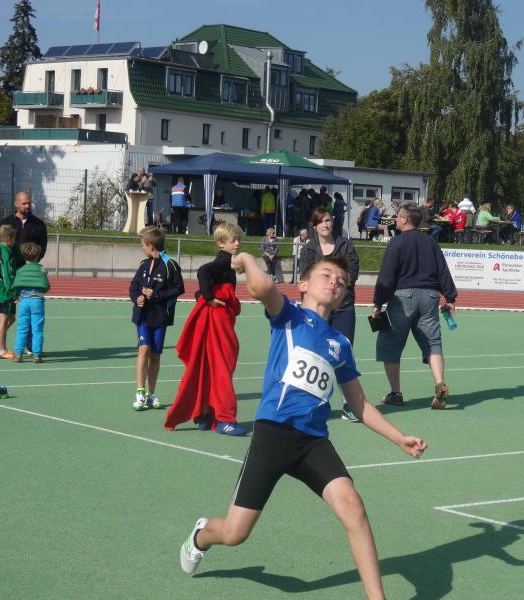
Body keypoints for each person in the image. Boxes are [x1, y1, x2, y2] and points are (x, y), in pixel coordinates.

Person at [178, 252, 427, 600]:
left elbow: (359, 403)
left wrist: (398, 438)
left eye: (341, 283)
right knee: (235, 534)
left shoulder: (340, 345)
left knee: (353, 507)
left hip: (313, 442)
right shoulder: (289, 315)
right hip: (274, 433)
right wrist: (246, 258)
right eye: (327, 276)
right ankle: (202, 535)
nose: (335, 283)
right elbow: (261, 287)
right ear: (304, 285)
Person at [372, 204, 458, 409]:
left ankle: (395, 393)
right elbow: (442, 270)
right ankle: (440, 384)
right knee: (433, 343)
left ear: (404, 219)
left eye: (397, 217)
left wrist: (378, 302)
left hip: (403, 298)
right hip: (429, 296)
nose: (395, 219)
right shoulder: (431, 242)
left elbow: (387, 274)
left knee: (390, 344)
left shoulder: (397, 242)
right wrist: (450, 297)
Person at [164, 223, 246, 436]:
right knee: (221, 367)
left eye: (239, 239)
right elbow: (203, 271)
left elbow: (207, 281)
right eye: (233, 240)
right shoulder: (223, 261)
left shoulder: (227, 262)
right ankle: (225, 419)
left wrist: (203, 295)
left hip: (216, 320)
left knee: (208, 367)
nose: (238, 243)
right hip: (216, 321)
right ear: (221, 243)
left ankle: (204, 414)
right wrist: (208, 297)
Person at [298, 207, 361, 422]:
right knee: (313, 354)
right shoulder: (308, 249)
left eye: (328, 220)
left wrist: (327, 281)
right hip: (316, 310)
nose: (326, 224)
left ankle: (349, 405)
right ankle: (310, 403)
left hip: (343, 308)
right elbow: (306, 277)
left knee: (344, 355)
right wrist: (331, 282)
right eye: (321, 221)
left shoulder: (346, 246)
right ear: (314, 226)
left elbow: (352, 274)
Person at [129, 226, 185, 411]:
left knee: (155, 355)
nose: (141, 247)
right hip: (143, 315)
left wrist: (157, 294)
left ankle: (150, 394)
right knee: (144, 348)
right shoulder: (143, 264)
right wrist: (136, 297)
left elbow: (178, 288)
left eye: (142, 244)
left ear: (150, 246)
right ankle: (139, 391)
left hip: (160, 316)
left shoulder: (170, 265)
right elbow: (134, 286)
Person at [0, 191, 48, 356]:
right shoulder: (5, 223)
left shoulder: (38, 224)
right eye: (24, 203)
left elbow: (42, 247)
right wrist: (12, 285)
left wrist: (32, 262)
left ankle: (29, 346)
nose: (27, 206)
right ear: (16, 204)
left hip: (28, 272)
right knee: (2, 315)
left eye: (29, 203)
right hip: (12, 277)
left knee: (26, 312)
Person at [11, 242, 50, 363]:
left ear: (24, 256)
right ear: (38, 256)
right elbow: (46, 286)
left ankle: (18, 354)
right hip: (37, 301)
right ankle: (37, 355)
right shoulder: (42, 270)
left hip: (24, 301)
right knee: (37, 329)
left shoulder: (20, 270)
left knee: (22, 328)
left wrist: (16, 295)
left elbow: (16, 286)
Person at [0, 225, 17, 360]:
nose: (15, 241)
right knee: (3, 320)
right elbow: (6, 274)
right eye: (14, 238)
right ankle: (2, 350)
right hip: (4, 292)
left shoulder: (0, 249)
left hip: (0, 290)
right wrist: (12, 291)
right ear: (9, 239)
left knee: (11, 318)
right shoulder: (5, 252)